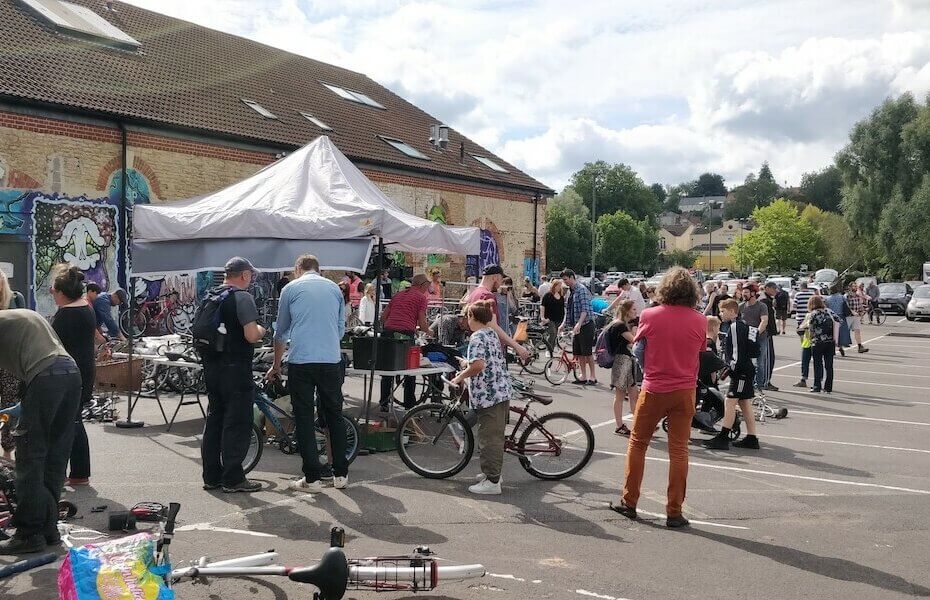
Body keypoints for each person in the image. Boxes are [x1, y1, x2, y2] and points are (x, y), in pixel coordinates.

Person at [609, 267, 705, 528]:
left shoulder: (650, 315)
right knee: (679, 451)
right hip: (685, 389)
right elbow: (699, 351)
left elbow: (639, 349)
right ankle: (674, 511)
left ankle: (629, 502)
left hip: (654, 387)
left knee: (638, 443)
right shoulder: (699, 320)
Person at [0, 269, 82, 555]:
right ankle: (48, 529)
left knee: (30, 457)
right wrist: (22, 406)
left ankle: (28, 533)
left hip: (46, 376)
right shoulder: (22, 315)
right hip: (70, 375)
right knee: (54, 457)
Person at [269, 255, 349, 493]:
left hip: (302, 360)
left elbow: (280, 332)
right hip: (331, 360)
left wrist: (275, 365)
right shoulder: (334, 289)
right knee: (334, 415)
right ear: (319, 269)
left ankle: (312, 478)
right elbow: (340, 329)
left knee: (304, 417)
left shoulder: (291, 289)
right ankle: (341, 474)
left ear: (297, 269)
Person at [199, 257, 266, 493]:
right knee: (237, 422)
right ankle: (233, 478)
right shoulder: (242, 297)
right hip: (236, 368)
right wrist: (262, 329)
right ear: (244, 275)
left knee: (215, 419)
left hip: (212, 368)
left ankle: (211, 476)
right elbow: (250, 335)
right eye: (251, 276)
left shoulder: (211, 295)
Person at [451, 300, 512, 495]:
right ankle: (493, 474)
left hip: (488, 395)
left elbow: (478, 366)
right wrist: (466, 363)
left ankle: (493, 481)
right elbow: (485, 361)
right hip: (500, 390)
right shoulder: (491, 333)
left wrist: (460, 376)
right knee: (495, 435)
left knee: (489, 439)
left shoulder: (476, 337)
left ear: (471, 317)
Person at [49, 265, 97, 487]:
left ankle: (78, 473)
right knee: (74, 421)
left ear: (62, 292)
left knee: (71, 423)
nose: (53, 296)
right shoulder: (85, 308)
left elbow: (55, 346)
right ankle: (79, 472)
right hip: (83, 371)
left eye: (54, 292)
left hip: (71, 375)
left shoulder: (67, 315)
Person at [704, 298, 761, 450]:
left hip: (740, 370)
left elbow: (736, 351)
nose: (721, 314)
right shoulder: (743, 326)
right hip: (747, 368)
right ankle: (751, 437)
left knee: (729, 401)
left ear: (732, 311)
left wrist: (730, 368)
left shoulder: (735, 327)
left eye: (723, 311)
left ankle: (723, 437)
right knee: (744, 402)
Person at [379, 273, 430, 410]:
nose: (428, 288)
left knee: (388, 369)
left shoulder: (397, 295)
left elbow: (383, 317)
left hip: (389, 332)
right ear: (422, 285)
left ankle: (384, 403)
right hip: (406, 334)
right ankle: (409, 405)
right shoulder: (421, 298)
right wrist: (429, 332)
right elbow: (422, 321)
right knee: (409, 370)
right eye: (427, 285)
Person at [465, 265, 530, 361]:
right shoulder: (488, 296)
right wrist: (517, 347)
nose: (500, 284)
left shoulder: (473, 294)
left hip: (476, 347)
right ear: (494, 277)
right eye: (500, 279)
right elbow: (493, 327)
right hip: (489, 350)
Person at [605, 299, 638, 436]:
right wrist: (635, 329)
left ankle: (637, 424)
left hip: (624, 360)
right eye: (633, 309)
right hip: (622, 360)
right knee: (621, 395)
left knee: (633, 394)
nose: (636, 311)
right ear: (627, 311)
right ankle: (619, 425)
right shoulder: (620, 326)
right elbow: (634, 340)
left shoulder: (616, 324)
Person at [559, 269, 597, 386]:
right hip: (576, 326)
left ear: (571, 277)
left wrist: (579, 324)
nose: (565, 282)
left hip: (585, 324)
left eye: (566, 279)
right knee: (579, 352)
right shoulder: (571, 291)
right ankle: (583, 376)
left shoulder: (581, 290)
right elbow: (568, 309)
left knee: (587, 352)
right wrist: (563, 324)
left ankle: (593, 376)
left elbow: (585, 310)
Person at [798, 295, 840, 393]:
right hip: (830, 341)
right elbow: (839, 321)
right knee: (829, 365)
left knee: (818, 364)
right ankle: (828, 387)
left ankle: (817, 386)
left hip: (817, 341)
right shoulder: (829, 311)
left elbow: (811, 328)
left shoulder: (813, 314)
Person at [738, 283, 770, 392]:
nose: (743, 294)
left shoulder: (762, 306)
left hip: (760, 338)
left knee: (759, 363)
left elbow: (764, 321)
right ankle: (748, 384)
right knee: (747, 362)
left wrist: (756, 333)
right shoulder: (741, 306)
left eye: (746, 292)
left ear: (753, 293)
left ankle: (759, 386)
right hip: (745, 339)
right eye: (743, 292)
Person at [759, 282, 779, 391]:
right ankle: (765, 382)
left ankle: (764, 381)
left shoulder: (766, 300)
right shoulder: (764, 301)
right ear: (767, 288)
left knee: (767, 358)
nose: (775, 291)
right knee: (767, 358)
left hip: (766, 332)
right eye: (773, 288)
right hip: (765, 333)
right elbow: (766, 319)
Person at [825, 284, 853, 357]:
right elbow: (846, 306)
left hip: (831, 317)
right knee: (840, 333)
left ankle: (832, 350)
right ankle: (840, 346)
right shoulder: (842, 297)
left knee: (832, 333)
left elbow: (826, 308)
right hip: (841, 316)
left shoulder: (828, 298)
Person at [539, 279, 565, 354]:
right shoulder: (548, 295)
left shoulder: (561, 296)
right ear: (554, 286)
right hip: (549, 318)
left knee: (555, 335)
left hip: (559, 318)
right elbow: (542, 306)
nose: (559, 287)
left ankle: (551, 350)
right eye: (557, 286)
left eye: (560, 286)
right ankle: (548, 350)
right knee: (552, 334)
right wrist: (542, 317)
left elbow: (562, 307)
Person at [844, 283, 869, 353]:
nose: (855, 288)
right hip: (848, 316)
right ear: (850, 287)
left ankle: (860, 346)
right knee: (845, 331)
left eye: (856, 286)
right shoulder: (847, 296)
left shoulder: (857, 296)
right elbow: (846, 306)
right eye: (854, 286)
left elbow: (859, 305)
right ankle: (840, 346)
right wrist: (852, 312)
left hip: (856, 316)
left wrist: (863, 310)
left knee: (857, 331)